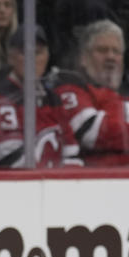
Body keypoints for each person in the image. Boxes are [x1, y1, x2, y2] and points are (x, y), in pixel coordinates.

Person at [0, 26, 81, 168]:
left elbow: (72, 154)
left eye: (38, 53)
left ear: (47, 57)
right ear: (11, 58)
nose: (32, 59)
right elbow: (9, 160)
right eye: (24, 53)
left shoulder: (53, 99)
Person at [51, 19, 129, 167]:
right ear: (83, 59)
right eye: (102, 50)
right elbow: (90, 132)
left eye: (116, 51)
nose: (111, 57)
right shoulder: (69, 87)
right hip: (93, 181)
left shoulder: (124, 95)